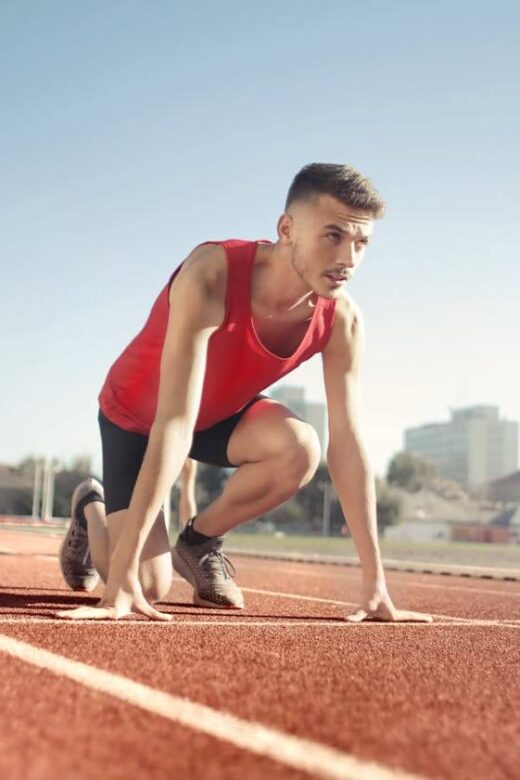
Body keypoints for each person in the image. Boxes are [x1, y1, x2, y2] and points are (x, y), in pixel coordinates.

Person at [58, 162, 432, 623]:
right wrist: (120, 581)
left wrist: (375, 583)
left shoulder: (342, 320)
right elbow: (173, 420)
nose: (349, 260)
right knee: (147, 584)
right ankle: (90, 509)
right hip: (137, 417)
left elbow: (349, 444)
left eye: (362, 243)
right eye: (333, 236)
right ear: (287, 228)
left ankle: (197, 543)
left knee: (300, 447)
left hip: (216, 417)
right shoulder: (211, 273)